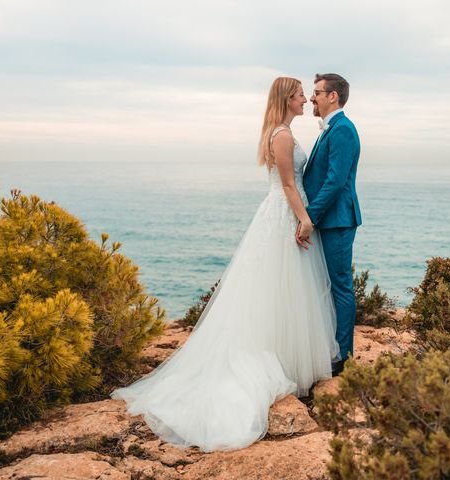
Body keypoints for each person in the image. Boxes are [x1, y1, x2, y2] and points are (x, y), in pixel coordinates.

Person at [111, 77, 340, 452]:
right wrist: (305, 219)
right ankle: (278, 362)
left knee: (280, 291)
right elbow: (287, 185)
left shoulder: (281, 132)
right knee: (281, 287)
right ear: (287, 99)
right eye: (301, 94)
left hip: (281, 216)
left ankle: (285, 357)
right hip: (284, 215)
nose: (305, 99)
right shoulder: (281, 136)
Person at [299, 73, 361, 376]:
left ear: (333, 96)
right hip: (329, 219)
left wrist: (310, 215)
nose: (312, 98)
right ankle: (330, 345)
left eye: (317, 92)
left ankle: (344, 355)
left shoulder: (343, 130)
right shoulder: (331, 129)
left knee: (340, 286)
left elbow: (335, 181)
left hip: (337, 220)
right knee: (326, 285)